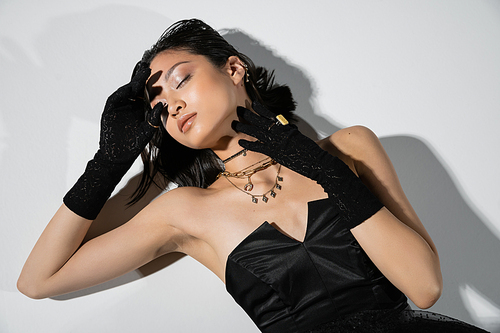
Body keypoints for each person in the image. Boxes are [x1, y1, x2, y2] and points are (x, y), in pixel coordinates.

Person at [17, 19, 489, 333]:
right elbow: (38, 281)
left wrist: (318, 165)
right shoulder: (186, 212)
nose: (172, 104)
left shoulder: (351, 148)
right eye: (158, 106)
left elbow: (425, 287)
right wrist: (107, 162)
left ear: (235, 68)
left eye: (181, 79)